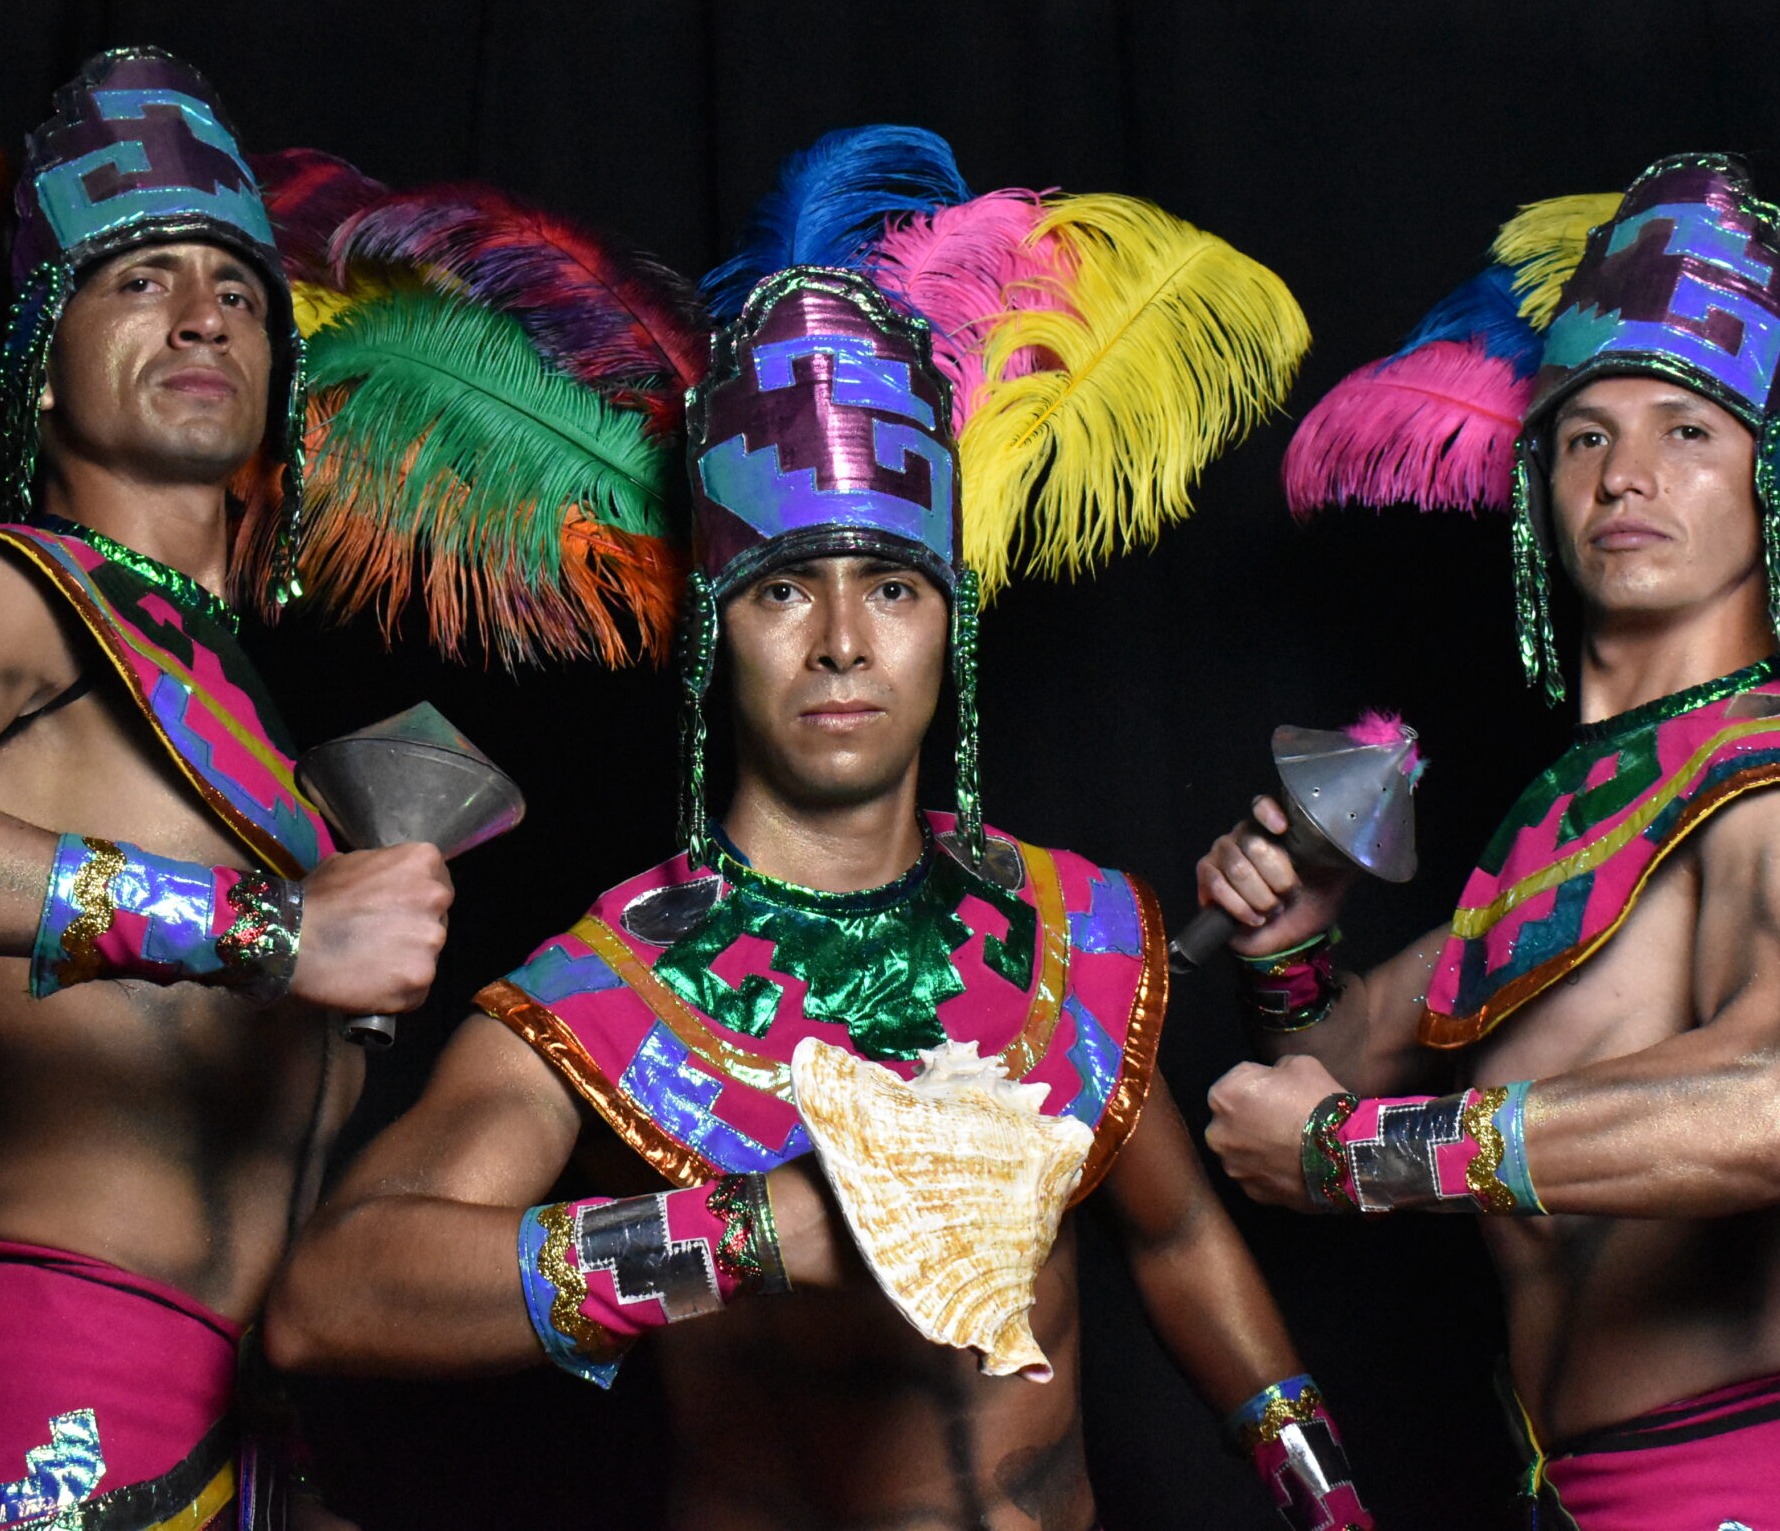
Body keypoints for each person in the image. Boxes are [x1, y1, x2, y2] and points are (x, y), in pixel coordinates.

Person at [268, 245, 1374, 1529]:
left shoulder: (1066, 928)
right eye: (783, 591)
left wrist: (1326, 1498)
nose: (843, 644)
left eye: (891, 589)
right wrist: (770, 1229)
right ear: (714, 633)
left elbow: (1178, 1240)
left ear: (949, 623)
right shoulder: (614, 987)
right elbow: (330, 1297)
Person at [1196, 152, 1780, 1529]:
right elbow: (1324, 1077)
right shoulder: (1572, 812)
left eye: (1688, 432)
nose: (1626, 475)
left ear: (1779, 488)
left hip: (1749, 1480)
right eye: (1586, 437)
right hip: (1576, 1486)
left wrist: (1354, 1157)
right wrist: (1290, 946)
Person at [0, 50, 452, 1531]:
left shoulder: (242, 718)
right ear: (44, 360)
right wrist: (272, 933)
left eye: (238, 294)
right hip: (47, 1377)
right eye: (140, 282)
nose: (202, 316)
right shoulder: (17, 589)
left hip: (247, 1428)